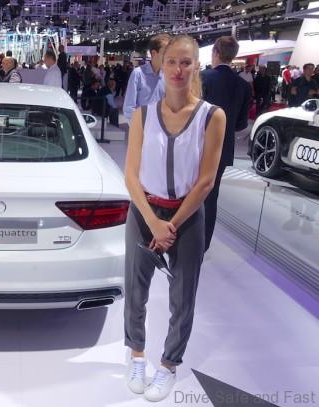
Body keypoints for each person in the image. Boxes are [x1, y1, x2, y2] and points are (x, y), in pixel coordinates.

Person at [124, 34, 226, 402]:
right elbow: (130, 175)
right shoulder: (143, 115)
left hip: (188, 215)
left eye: (186, 62)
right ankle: (136, 355)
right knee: (135, 290)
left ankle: (168, 365)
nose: (178, 69)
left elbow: (206, 181)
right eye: (172, 62)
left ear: (197, 65)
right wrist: (153, 222)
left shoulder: (212, 116)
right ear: (161, 65)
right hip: (144, 212)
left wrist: (173, 224)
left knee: (183, 298)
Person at [200, 36, 250, 251]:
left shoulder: (203, 77)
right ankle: (203, 245)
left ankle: (184, 243)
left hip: (197, 146)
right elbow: (241, 124)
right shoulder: (243, 85)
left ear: (216, 52)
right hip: (223, 149)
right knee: (211, 196)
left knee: (187, 192)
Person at [123, 34, 171, 125]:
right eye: (165, 53)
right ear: (154, 53)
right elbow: (129, 108)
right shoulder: (138, 74)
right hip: (143, 128)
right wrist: (138, 128)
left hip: (161, 128)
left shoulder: (167, 76)